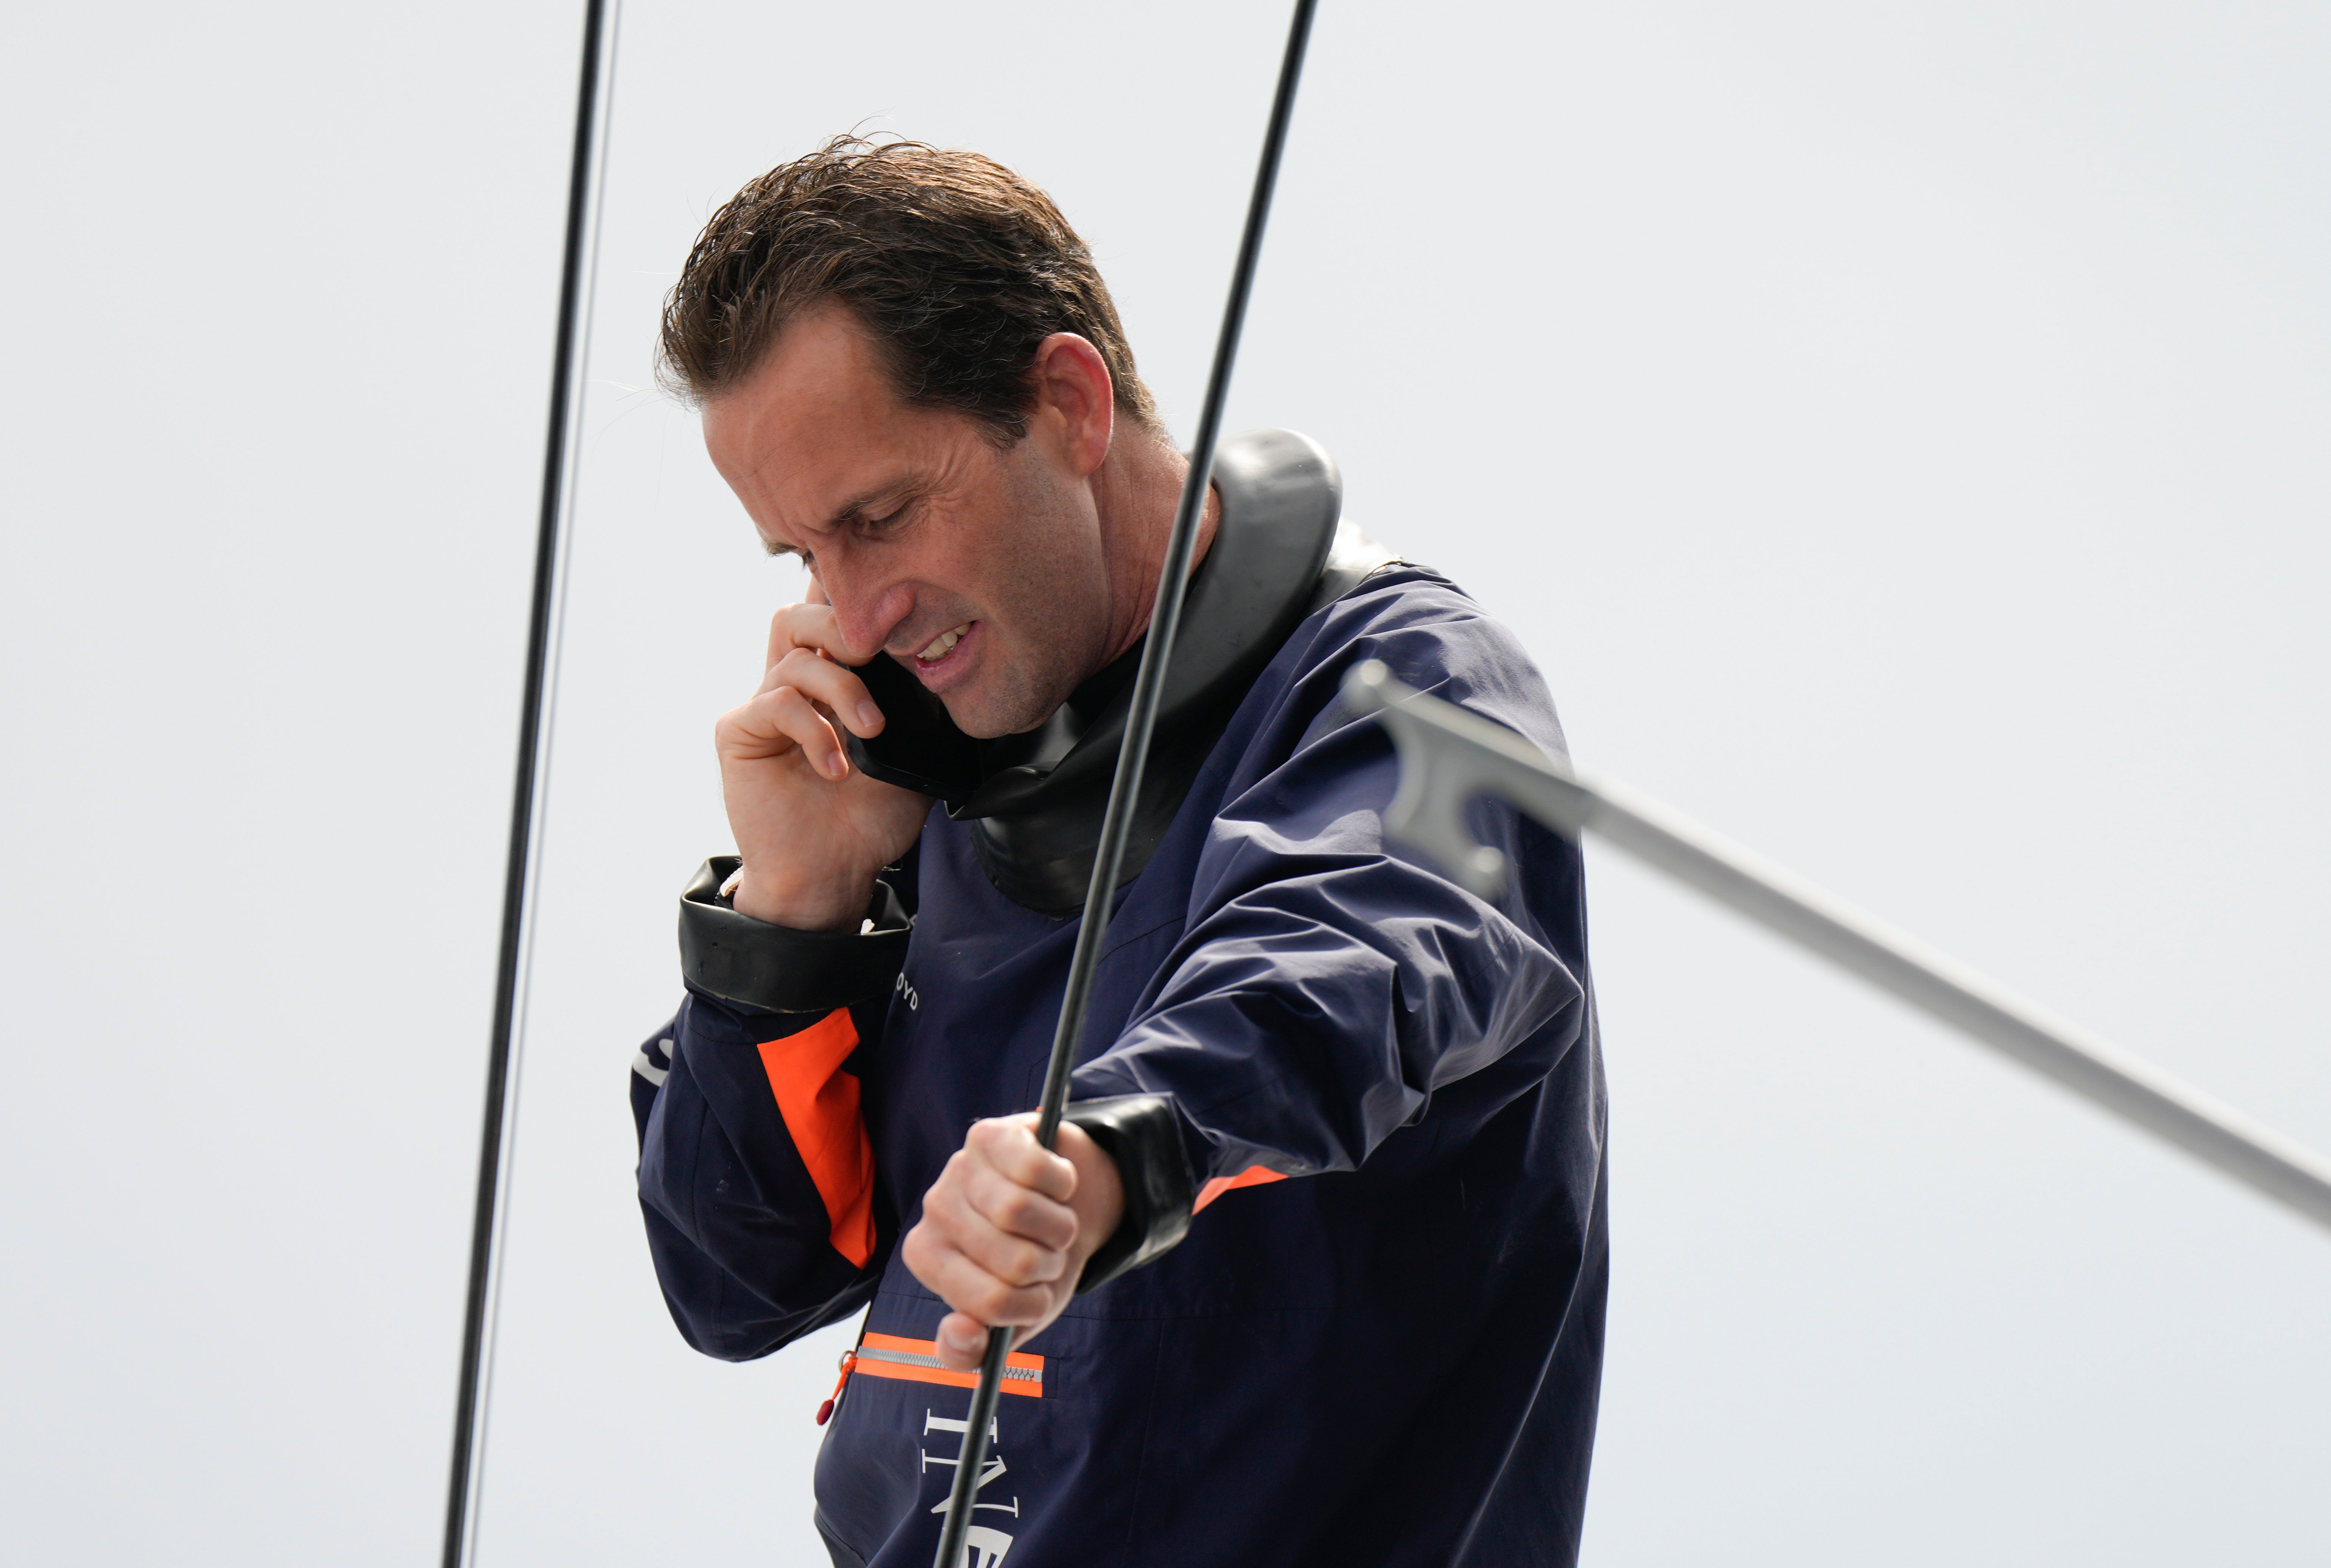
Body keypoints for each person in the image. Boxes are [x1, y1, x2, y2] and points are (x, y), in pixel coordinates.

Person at [630, 137, 1607, 1568]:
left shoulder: (1402, 682)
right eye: (802, 557)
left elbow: (1366, 957)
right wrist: (796, 915)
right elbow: (737, 1283)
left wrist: (1105, 1155)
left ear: (1071, 403)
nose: (854, 609)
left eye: (880, 516)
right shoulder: (928, 780)